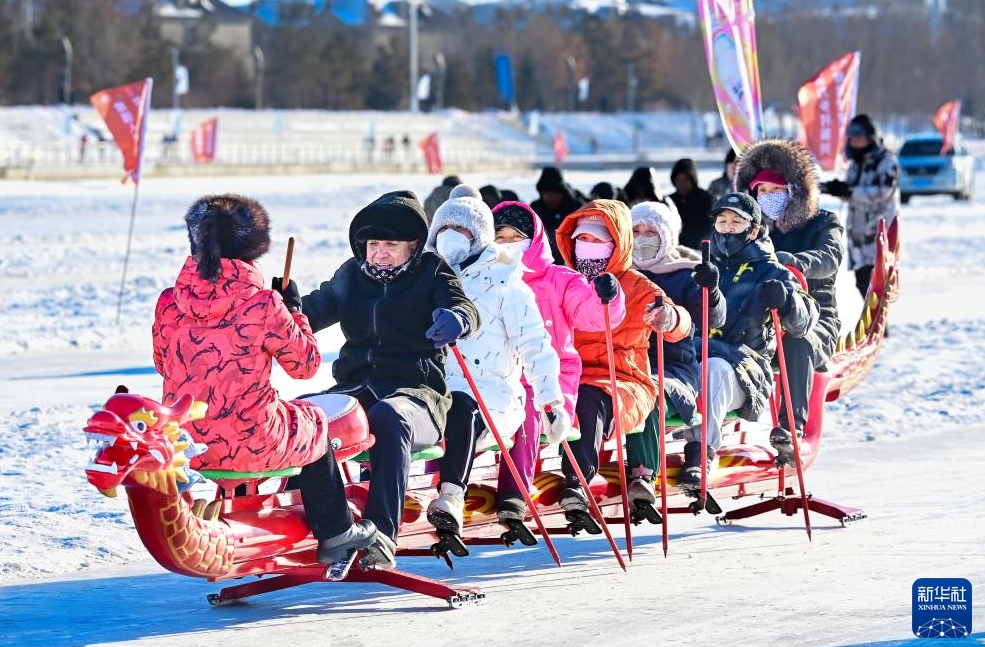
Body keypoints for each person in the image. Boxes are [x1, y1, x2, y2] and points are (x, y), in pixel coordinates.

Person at [152, 194, 393, 566]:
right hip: (251, 439)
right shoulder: (262, 303)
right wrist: (293, 311)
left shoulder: (169, 300)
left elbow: (161, 362)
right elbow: (305, 365)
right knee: (312, 423)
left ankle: (254, 514)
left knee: (287, 419)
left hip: (188, 442)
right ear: (252, 249)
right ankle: (336, 531)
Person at [291, 190, 481, 549]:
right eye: (373, 243)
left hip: (417, 395)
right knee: (306, 414)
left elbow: (463, 305)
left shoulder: (432, 271)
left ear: (413, 244)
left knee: (387, 416)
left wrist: (457, 319)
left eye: (390, 244)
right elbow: (311, 313)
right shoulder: (351, 275)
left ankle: (380, 534)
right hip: (356, 386)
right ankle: (298, 515)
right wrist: (287, 308)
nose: (379, 252)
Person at [422, 186, 568, 534]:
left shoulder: (507, 283)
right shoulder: (424, 277)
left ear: (478, 237)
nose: (450, 240)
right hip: (431, 389)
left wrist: (551, 401)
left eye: (460, 232)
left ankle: (452, 495)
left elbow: (536, 346)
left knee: (461, 406)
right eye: (443, 232)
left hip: (490, 394)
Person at [553, 200, 692, 518]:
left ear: (615, 245)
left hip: (623, 378)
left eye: (597, 241)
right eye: (581, 241)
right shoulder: (563, 281)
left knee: (588, 400)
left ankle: (578, 481)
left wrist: (669, 317)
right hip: (569, 373)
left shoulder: (638, 286)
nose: (587, 248)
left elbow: (679, 325)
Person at [490, 200, 627, 522]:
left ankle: (513, 495)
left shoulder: (559, 280)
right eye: (501, 238)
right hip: (494, 373)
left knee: (527, 409)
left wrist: (607, 298)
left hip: (549, 375)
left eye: (516, 237)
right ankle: (447, 484)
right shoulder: (484, 278)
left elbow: (593, 317)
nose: (509, 245)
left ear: (534, 239)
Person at [678, 192, 818, 488]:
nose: (727, 228)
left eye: (736, 222)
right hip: (695, 359)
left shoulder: (772, 270)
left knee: (712, 369)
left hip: (744, 369)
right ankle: (638, 462)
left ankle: (701, 454)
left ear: (753, 230)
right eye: (722, 221)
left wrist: (788, 300)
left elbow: (805, 321)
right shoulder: (703, 267)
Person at [736, 139, 845, 450]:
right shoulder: (750, 229)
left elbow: (829, 258)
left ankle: (790, 427)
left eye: (774, 190)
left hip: (814, 315)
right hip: (757, 316)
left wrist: (794, 262)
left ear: (794, 190)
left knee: (798, 341)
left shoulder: (824, 222)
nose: (767, 197)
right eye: (761, 192)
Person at [624, 200, 727, 503]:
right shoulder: (620, 274)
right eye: (636, 231)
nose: (642, 238)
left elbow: (713, 319)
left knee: (646, 390)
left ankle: (643, 473)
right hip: (625, 365)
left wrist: (712, 291)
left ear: (666, 235)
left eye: (650, 232)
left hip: (672, 370)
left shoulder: (685, 275)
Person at [820, 114, 900, 298]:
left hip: (879, 234)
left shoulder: (885, 161)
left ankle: (881, 328)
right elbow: (852, 190)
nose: (855, 141)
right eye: (852, 137)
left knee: (877, 288)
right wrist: (834, 188)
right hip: (859, 235)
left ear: (870, 136)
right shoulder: (856, 163)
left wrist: (849, 191)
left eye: (859, 136)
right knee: (863, 283)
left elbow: (882, 193)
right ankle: (877, 327)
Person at [529, 165, 588, 264]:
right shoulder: (536, 209)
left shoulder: (577, 208)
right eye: (546, 193)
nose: (550, 198)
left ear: (562, 193)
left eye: (554, 193)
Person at [669, 158, 715, 250]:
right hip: (676, 250)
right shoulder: (670, 201)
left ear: (693, 180)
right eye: (679, 180)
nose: (682, 184)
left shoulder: (706, 199)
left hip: (701, 250)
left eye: (686, 180)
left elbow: (712, 227)